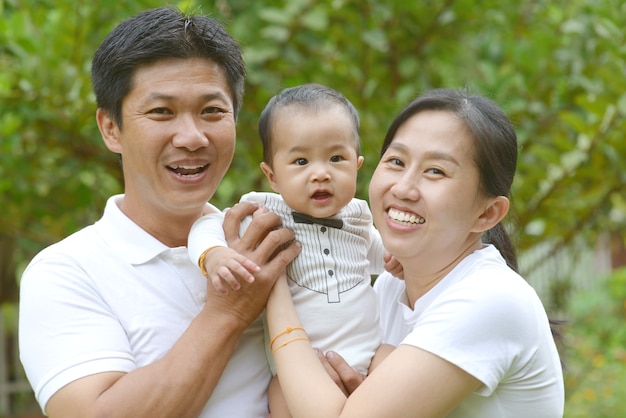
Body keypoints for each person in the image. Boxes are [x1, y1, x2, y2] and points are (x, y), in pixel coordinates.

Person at [18, 7, 300, 418]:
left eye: (212, 111)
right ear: (110, 128)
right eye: (161, 112)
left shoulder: (265, 243)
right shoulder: (65, 272)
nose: (192, 137)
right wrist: (230, 311)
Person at [264, 88, 565, 417]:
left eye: (435, 171)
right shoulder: (391, 288)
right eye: (396, 161)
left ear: (487, 214)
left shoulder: (490, 298)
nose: (403, 188)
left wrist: (274, 290)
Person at [187, 83, 401, 417]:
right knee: (279, 396)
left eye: (336, 158)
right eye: (301, 161)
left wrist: (395, 259)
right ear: (272, 176)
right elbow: (206, 224)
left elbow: (375, 253)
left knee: (397, 358)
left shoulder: (358, 216)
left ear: (357, 165)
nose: (320, 173)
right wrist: (213, 254)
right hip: (298, 368)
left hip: (369, 356)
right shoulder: (264, 213)